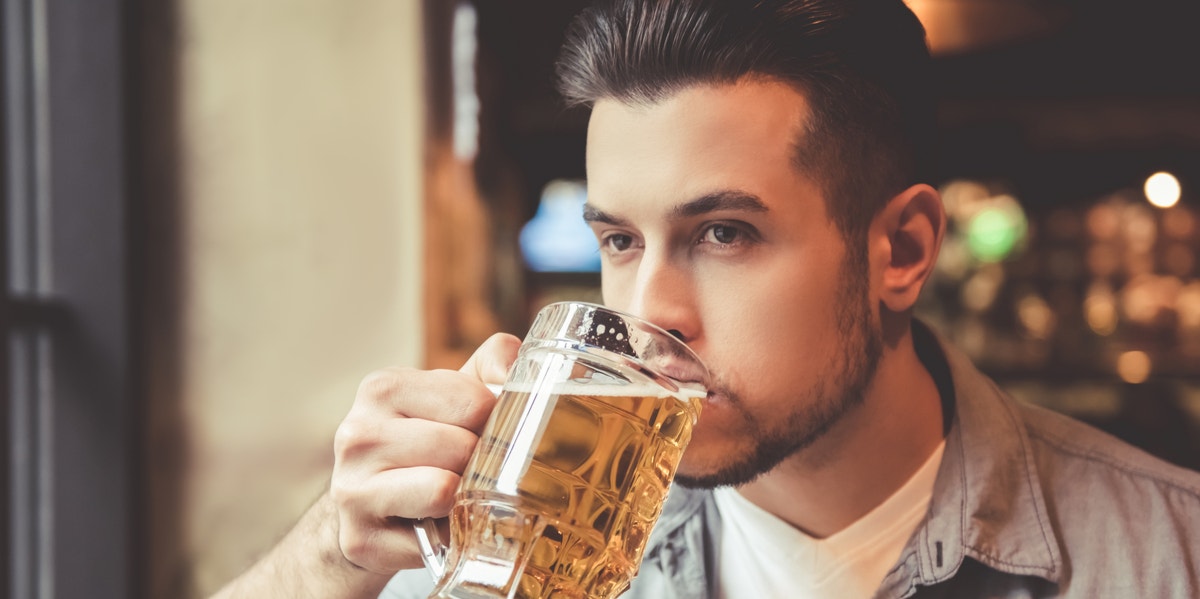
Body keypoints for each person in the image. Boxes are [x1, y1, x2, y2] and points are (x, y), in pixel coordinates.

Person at [213, 1, 1200, 597]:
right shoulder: (534, 520)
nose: (650, 309)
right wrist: (332, 556)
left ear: (900, 250)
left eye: (723, 233)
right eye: (619, 240)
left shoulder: (1163, 556)